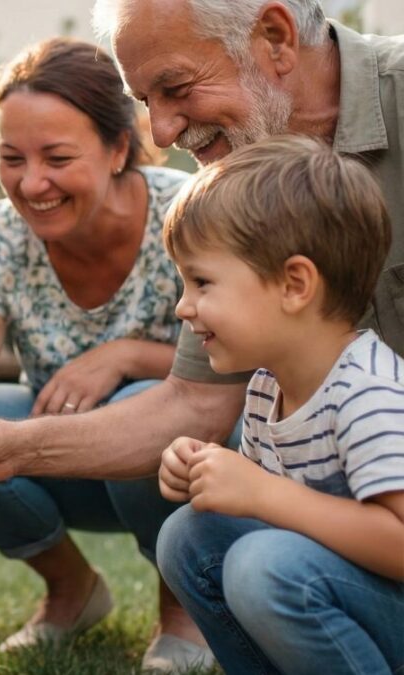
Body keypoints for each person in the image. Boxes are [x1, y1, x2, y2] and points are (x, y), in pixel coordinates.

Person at [0, 0, 403, 605]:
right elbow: (193, 402)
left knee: (267, 565)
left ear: (275, 37)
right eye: (144, 101)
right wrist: (10, 445)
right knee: (196, 541)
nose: (160, 133)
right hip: (341, 511)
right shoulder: (239, 184)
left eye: (177, 88)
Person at [0, 38, 204, 668]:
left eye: (57, 158)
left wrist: (125, 355)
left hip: (176, 467)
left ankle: (181, 609)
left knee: (147, 401)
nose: (31, 183)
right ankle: (71, 589)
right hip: (57, 456)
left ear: (118, 149)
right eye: (11, 158)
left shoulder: (191, 214)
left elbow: (241, 368)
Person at [156, 135, 404, 674]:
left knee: (264, 566)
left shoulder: (368, 393)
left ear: (294, 284)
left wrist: (263, 493)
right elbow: (260, 507)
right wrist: (209, 472)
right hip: (344, 594)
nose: (183, 306)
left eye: (201, 282)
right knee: (187, 537)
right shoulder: (268, 387)